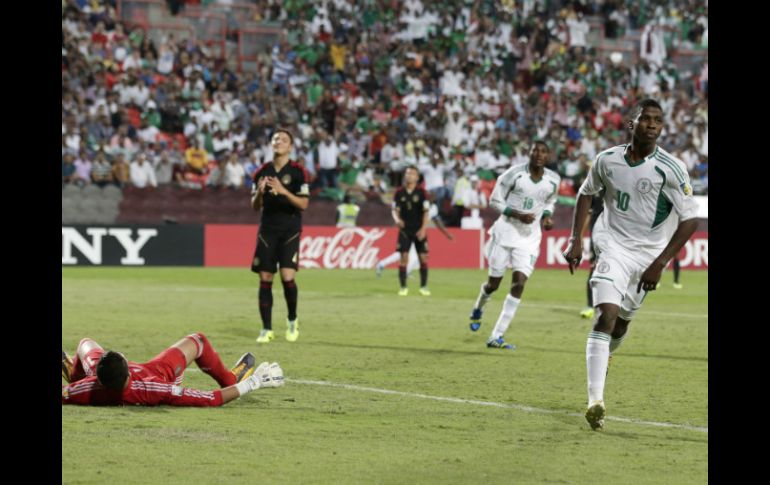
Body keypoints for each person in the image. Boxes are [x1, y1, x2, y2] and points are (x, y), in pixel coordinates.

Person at [562, 99, 699, 431]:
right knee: (605, 315)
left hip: (649, 257)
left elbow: (691, 220)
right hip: (612, 246)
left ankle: (607, 353)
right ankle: (596, 400)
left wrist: (660, 262)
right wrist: (576, 239)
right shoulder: (606, 160)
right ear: (631, 124)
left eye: (658, 121)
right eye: (646, 119)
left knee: (620, 325)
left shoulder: (672, 167)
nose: (652, 124)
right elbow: (586, 193)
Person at [467, 141, 560, 350]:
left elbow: (549, 202)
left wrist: (546, 217)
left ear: (548, 156)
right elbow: (494, 200)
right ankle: (478, 307)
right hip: (505, 233)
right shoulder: (513, 174)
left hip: (529, 238)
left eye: (543, 151)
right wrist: (516, 213)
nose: (538, 154)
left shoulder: (554, 180)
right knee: (493, 284)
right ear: (529, 152)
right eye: (534, 150)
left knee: (519, 283)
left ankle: (496, 335)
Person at [61, 332, 283, 406]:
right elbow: (211, 399)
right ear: (127, 369)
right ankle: (229, 378)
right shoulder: (155, 388)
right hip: (160, 373)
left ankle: (73, 373)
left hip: (97, 378)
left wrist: (76, 380)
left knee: (85, 343)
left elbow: (65, 394)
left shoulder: (88, 388)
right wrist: (254, 382)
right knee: (199, 341)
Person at [251, 129, 310, 344]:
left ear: (291, 147)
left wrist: (283, 191)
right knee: (265, 278)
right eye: (276, 139)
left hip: (290, 230)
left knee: (287, 277)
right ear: (271, 144)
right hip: (267, 230)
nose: (279, 142)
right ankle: (266, 329)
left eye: (284, 140)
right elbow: (254, 206)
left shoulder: (298, 172)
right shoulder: (261, 171)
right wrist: (259, 192)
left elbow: (304, 204)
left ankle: (292, 320)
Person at [376, 198, 453, 277]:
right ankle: (405, 272)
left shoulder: (433, 209)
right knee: (416, 254)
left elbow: (437, 221)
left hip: (418, 232)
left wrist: (446, 233)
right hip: (409, 230)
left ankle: (382, 264)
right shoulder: (418, 204)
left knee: (404, 253)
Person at [391, 165, 431, 296]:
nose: (409, 176)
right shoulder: (399, 192)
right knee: (403, 257)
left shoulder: (422, 193)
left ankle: (423, 287)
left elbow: (426, 212)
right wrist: (397, 219)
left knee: (423, 258)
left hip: (419, 229)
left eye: (412, 174)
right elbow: (394, 210)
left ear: (417, 177)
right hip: (404, 230)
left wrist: (424, 229)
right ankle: (403, 287)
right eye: (407, 173)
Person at [580, 193, 605, 319]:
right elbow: (588, 215)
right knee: (594, 270)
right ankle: (590, 306)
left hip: (616, 237)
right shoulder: (595, 191)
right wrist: (580, 236)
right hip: (597, 238)